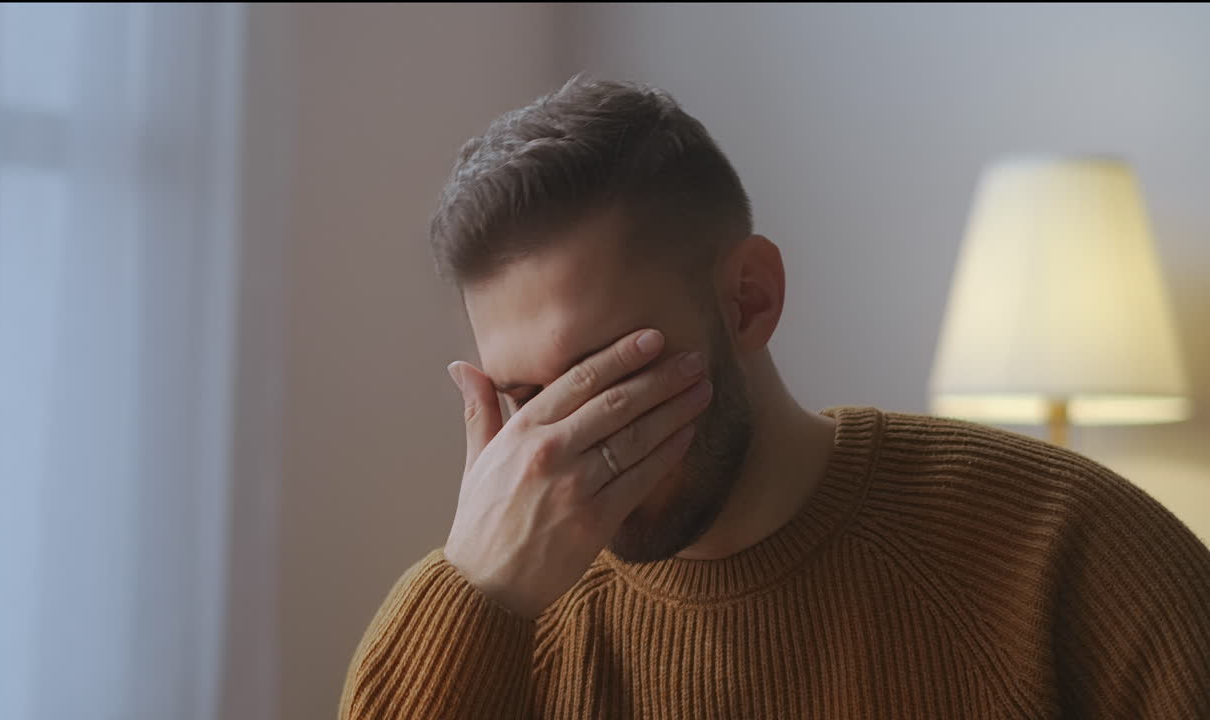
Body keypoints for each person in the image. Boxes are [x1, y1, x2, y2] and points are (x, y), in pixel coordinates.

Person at [339, 76, 1210, 719]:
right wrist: (477, 592)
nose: (562, 449)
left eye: (604, 374)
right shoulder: (494, 623)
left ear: (749, 299)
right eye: (525, 395)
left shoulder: (1060, 548)